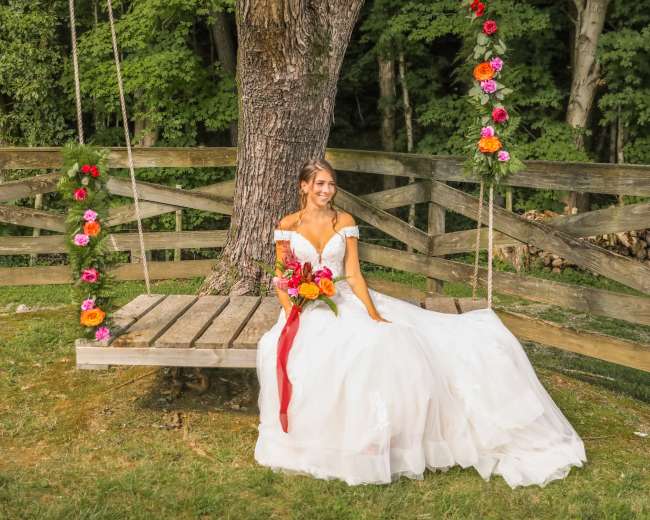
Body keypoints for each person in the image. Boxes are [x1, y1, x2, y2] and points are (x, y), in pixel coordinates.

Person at [254, 158, 586, 488]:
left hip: (342, 299)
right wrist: (291, 315)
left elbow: (353, 274)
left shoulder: (344, 221)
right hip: (303, 307)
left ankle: (379, 438)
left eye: (331, 183)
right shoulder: (288, 225)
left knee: (378, 340)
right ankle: (319, 438)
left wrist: (372, 313)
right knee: (281, 348)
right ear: (304, 186)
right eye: (320, 184)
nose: (327, 190)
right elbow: (283, 278)